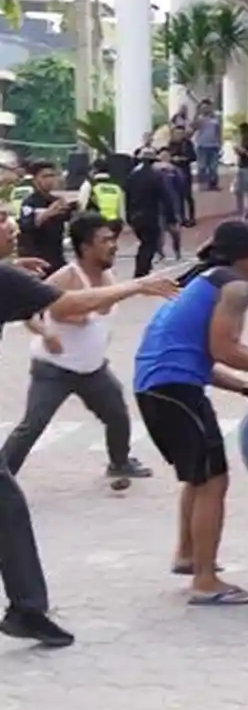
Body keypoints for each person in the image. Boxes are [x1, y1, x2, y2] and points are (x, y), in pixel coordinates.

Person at [0, 224, 177, 647]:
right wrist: (137, 285)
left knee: (8, 510)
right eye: (0, 218)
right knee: (8, 507)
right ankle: (27, 608)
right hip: (54, 369)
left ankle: (27, 608)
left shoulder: (6, 278)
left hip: (88, 369)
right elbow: (71, 303)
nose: (10, 224)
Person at [134, 220, 248, 605]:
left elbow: (195, 358)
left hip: (155, 387)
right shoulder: (234, 286)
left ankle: (188, 555)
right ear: (244, 256)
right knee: (213, 481)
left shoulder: (203, 280)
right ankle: (205, 581)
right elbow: (225, 349)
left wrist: (246, 387)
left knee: (199, 478)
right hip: (174, 391)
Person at [4, 213, 153, 481]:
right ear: (86, 247)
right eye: (105, 240)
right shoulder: (66, 277)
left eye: (113, 239)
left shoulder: (108, 276)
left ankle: (119, 463)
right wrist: (47, 332)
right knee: (33, 425)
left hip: (92, 368)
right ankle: (4, 476)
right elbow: (28, 308)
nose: (113, 245)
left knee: (117, 415)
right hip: (54, 369)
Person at [125, 148, 176, 278]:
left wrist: (128, 216)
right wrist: (172, 218)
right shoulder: (156, 176)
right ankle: (142, 271)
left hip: (135, 215)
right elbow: (165, 197)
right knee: (149, 244)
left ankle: (143, 268)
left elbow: (128, 197)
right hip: (150, 215)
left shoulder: (132, 176)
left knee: (144, 242)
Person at [17, 160, 75, 275]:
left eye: (52, 176)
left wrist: (73, 208)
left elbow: (69, 220)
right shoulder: (30, 203)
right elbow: (26, 226)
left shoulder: (57, 201)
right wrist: (47, 213)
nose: (49, 180)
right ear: (35, 180)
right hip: (37, 259)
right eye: (45, 176)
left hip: (57, 258)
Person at [78, 159, 127, 239]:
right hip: (114, 224)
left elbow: (81, 205)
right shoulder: (116, 187)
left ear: (94, 170)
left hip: (95, 224)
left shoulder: (89, 185)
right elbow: (121, 210)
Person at [154, 148, 186, 263]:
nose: (164, 158)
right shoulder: (154, 170)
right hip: (158, 205)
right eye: (162, 155)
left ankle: (177, 252)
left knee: (175, 232)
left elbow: (181, 186)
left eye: (167, 155)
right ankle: (160, 254)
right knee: (159, 231)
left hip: (173, 205)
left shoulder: (175, 171)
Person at [167, 125, 198, 227]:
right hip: (173, 172)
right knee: (177, 196)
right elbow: (167, 155)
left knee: (187, 196)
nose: (178, 135)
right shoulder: (171, 144)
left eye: (180, 133)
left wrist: (182, 158)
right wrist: (172, 159)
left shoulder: (187, 144)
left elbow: (193, 157)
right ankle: (181, 218)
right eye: (176, 133)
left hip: (184, 170)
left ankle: (192, 217)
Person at [192, 100, 223, 191]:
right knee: (202, 166)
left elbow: (218, 131)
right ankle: (203, 185)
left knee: (213, 166)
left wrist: (220, 143)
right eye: (204, 107)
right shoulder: (200, 118)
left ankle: (213, 184)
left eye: (208, 107)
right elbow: (194, 126)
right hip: (202, 145)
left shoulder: (215, 118)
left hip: (214, 145)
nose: (206, 109)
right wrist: (197, 114)